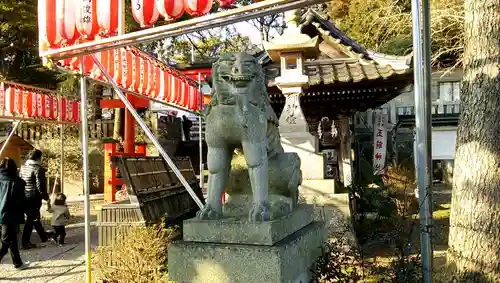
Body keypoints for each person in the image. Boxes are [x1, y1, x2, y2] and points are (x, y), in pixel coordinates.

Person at [0, 158, 30, 269]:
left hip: (4, 214)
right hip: (8, 215)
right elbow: (22, 201)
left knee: (12, 239)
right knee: (5, 241)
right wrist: (31, 212)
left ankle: (18, 263)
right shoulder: (16, 182)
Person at [20, 149, 50, 249]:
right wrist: (46, 197)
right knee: (31, 218)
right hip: (34, 197)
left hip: (24, 196)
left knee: (34, 217)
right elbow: (40, 185)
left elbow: (20, 181)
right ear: (38, 157)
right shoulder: (38, 169)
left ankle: (43, 236)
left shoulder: (23, 167)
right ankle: (25, 242)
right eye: (41, 157)